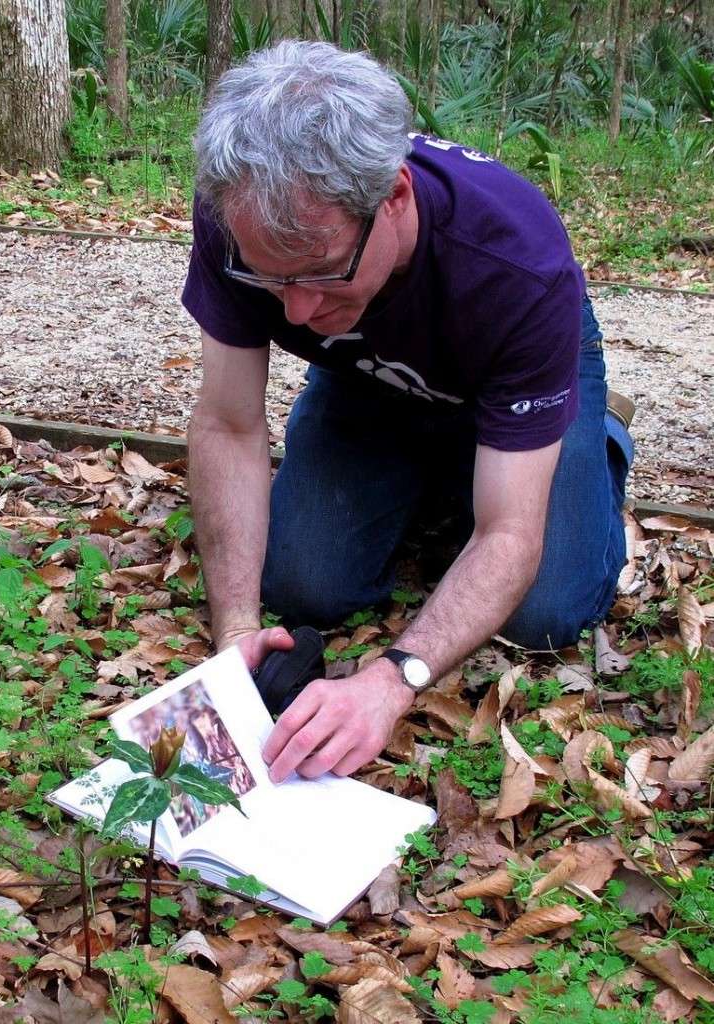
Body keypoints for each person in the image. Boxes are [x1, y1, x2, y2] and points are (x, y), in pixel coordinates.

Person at [181, 40, 634, 785]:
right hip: (370, 376)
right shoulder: (240, 216)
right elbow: (228, 423)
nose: (295, 310)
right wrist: (233, 628)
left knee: (544, 612)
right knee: (304, 586)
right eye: (271, 279)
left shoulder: (515, 262)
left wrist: (390, 681)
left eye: (321, 272)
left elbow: (508, 533)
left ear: (393, 196)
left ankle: (594, 435)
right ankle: (427, 463)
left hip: (504, 372)